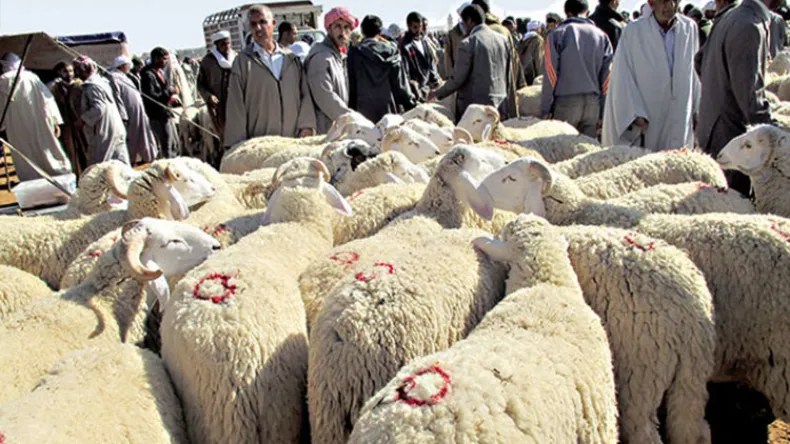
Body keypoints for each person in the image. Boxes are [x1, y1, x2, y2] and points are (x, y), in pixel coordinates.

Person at [697, 0, 773, 195]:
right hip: (732, 138)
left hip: (714, 127)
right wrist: (775, 135)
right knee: (733, 210)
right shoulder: (748, 25)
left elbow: (699, 60)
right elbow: (749, 95)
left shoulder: (730, 16)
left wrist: (716, 90)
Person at [602, 0, 700, 151]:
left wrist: (697, 108)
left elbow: (693, 72)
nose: (670, 6)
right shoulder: (634, 31)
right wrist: (634, 112)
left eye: (674, 1)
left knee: (678, 162)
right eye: (664, 2)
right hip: (649, 115)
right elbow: (622, 75)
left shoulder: (689, 29)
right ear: (652, 3)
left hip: (680, 112)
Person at [224, 4, 316, 147]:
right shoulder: (243, 62)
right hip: (260, 146)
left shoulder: (291, 59)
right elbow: (235, 105)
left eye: (262, 22)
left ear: (273, 24)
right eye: (253, 24)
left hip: (292, 142)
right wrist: (236, 145)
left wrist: (306, 125)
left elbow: (305, 95)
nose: (258, 28)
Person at [542, 0, 613, 138]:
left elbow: (550, 74)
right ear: (587, 13)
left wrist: (546, 109)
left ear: (567, 13)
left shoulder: (557, 34)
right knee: (586, 153)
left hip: (566, 103)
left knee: (561, 153)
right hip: (593, 104)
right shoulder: (602, 36)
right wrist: (603, 111)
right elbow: (607, 78)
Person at [0, 53, 72, 182]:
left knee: (26, 157)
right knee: (48, 151)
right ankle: (59, 178)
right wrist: (55, 121)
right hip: (40, 123)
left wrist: (2, 126)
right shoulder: (32, 78)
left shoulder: (2, 81)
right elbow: (48, 100)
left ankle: (32, 182)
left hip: (17, 128)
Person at [430, 5, 511, 120]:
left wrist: (437, 93)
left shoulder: (468, 43)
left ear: (469, 21)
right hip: (500, 105)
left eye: (463, 22)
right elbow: (507, 74)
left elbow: (458, 78)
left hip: (475, 110)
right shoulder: (502, 40)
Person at [348, 15, 417, 123]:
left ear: (362, 31)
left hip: (363, 116)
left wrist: (351, 112)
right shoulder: (392, 52)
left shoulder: (355, 54)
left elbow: (352, 87)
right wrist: (412, 106)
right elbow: (401, 86)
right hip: (390, 113)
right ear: (380, 31)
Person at [305, 7, 357, 134]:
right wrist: (351, 119)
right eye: (338, 26)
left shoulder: (338, 56)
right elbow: (325, 96)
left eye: (346, 27)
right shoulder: (321, 57)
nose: (342, 32)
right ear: (329, 29)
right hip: (326, 128)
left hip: (338, 126)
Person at [471, 0, 527, 118]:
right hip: (502, 92)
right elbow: (513, 63)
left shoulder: (473, 33)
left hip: (479, 96)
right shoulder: (503, 30)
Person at [73, 56, 130, 166]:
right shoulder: (101, 82)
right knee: (121, 163)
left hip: (105, 131)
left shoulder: (92, 86)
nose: (77, 73)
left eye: (78, 70)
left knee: (100, 166)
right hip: (116, 128)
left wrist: (83, 120)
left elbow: (99, 107)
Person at [107, 55, 158, 165]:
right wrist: (123, 115)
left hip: (138, 111)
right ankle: (130, 161)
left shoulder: (124, 76)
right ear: (123, 65)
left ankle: (148, 157)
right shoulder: (113, 77)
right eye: (128, 65)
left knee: (144, 134)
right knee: (132, 137)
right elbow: (117, 96)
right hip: (129, 114)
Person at [197, 30, 236, 165]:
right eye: (223, 44)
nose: (227, 47)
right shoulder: (208, 62)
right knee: (224, 137)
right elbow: (200, 84)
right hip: (219, 107)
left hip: (236, 103)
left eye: (228, 43)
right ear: (217, 45)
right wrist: (209, 96)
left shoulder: (236, 57)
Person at [141, 47, 181, 158]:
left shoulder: (160, 72)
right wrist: (169, 92)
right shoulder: (148, 75)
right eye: (164, 59)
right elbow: (152, 97)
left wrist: (171, 98)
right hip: (158, 116)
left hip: (166, 113)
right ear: (156, 58)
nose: (166, 62)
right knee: (166, 145)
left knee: (175, 143)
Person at [49, 61, 88, 174]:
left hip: (81, 123)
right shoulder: (56, 88)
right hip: (66, 124)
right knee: (71, 151)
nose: (69, 74)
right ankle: (77, 175)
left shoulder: (79, 85)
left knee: (85, 148)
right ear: (59, 72)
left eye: (71, 71)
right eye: (65, 71)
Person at [400, 12, 442, 103]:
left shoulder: (424, 42)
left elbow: (431, 64)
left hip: (429, 88)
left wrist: (435, 81)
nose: (418, 30)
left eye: (420, 26)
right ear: (409, 26)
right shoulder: (405, 46)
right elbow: (405, 72)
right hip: (416, 92)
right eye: (415, 27)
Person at [445, 2, 471, 76]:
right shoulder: (452, 34)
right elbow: (448, 57)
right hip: (458, 75)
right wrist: (450, 76)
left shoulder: (475, 30)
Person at [518, 20, 545, 86]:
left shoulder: (522, 39)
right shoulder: (538, 39)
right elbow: (539, 59)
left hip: (522, 73)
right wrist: (541, 75)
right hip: (532, 73)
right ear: (537, 29)